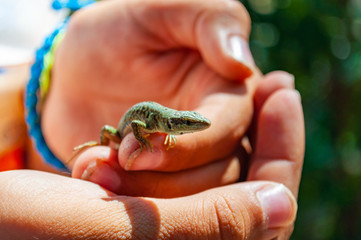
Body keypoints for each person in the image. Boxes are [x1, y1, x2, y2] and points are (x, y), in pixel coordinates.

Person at [0, 0, 304, 239]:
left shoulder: (167, 122)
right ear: (175, 124)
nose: (197, 127)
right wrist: (142, 140)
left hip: (29, 127)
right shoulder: (155, 123)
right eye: (189, 124)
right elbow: (135, 128)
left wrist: (43, 118)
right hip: (117, 134)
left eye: (192, 123)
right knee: (109, 135)